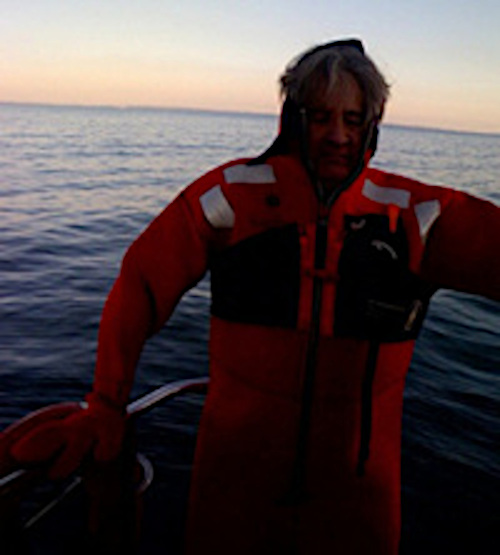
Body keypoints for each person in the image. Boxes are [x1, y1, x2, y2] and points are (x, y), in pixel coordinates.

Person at [9, 39, 500, 554]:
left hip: (359, 503)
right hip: (232, 490)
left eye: (354, 120)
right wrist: (107, 404)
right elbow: (139, 286)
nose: (338, 136)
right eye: (321, 117)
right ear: (291, 119)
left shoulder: (417, 216)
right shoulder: (231, 196)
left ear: (373, 126)